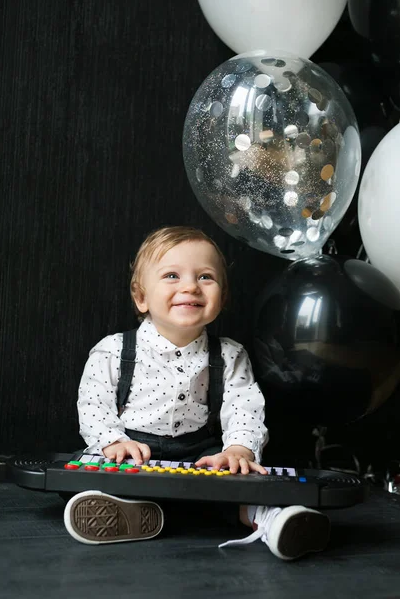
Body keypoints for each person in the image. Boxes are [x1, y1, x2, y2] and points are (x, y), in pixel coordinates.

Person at [63, 226, 330, 559]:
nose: (190, 286)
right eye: (172, 276)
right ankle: (127, 508)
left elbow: (244, 406)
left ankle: (270, 519)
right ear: (141, 297)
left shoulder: (229, 354)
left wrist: (238, 449)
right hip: (134, 453)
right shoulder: (113, 350)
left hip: (200, 456)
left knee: (238, 481)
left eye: (205, 277)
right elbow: (93, 404)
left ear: (223, 297)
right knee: (83, 469)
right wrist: (113, 442)